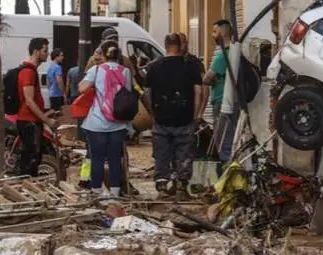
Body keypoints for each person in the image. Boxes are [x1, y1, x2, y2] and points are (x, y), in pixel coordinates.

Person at [144, 34, 205, 195]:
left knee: (162, 152)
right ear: (180, 46)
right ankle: (181, 184)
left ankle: (162, 184)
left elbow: (147, 92)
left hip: (161, 118)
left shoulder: (154, 67)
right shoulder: (191, 66)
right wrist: (196, 114)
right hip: (185, 118)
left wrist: (152, 113)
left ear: (165, 46)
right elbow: (198, 92)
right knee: (184, 151)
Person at [78, 40, 133, 198]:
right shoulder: (126, 72)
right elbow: (127, 94)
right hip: (118, 123)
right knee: (116, 159)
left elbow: (82, 88)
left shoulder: (96, 70)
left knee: (97, 159)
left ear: (103, 54)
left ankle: (97, 191)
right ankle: (115, 193)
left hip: (96, 123)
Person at [202, 19, 240, 162]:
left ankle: (227, 171)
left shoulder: (221, 56)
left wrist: (214, 79)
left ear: (223, 33)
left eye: (215, 32)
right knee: (232, 138)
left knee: (223, 140)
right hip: (235, 102)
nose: (212, 35)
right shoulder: (236, 53)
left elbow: (206, 79)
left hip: (221, 102)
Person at [15, 37, 53, 176]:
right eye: (45, 50)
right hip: (28, 121)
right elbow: (29, 100)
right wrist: (46, 120)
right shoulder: (28, 72)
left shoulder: (31, 71)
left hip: (31, 120)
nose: (47, 54)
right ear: (36, 52)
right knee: (30, 159)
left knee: (33, 158)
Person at [46, 49, 66, 113]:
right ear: (56, 56)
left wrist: (51, 89)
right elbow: (59, 81)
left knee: (54, 113)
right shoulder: (58, 67)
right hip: (58, 95)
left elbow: (48, 82)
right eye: (61, 55)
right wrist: (64, 93)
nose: (63, 57)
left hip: (52, 94)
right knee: (59, 115)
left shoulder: (50, 67)